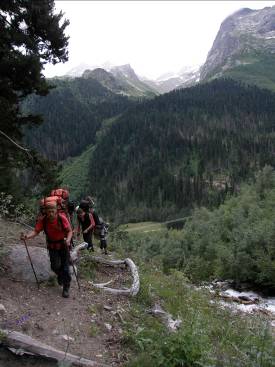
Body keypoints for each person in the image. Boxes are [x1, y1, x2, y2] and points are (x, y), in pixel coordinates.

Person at [20, 201, 73, 298]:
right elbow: (36, 231)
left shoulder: (61, 218)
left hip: (63, 245)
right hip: (52, 246)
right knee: (55, 266)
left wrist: (68, 240)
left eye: (52, 211)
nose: (51, 214)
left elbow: (69, 231)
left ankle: (66, 287)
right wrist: (26, 237)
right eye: (49, 212)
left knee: (65, 266)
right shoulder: (43, 220)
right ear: (46, 212)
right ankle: (61, 276)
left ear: (56, 211)